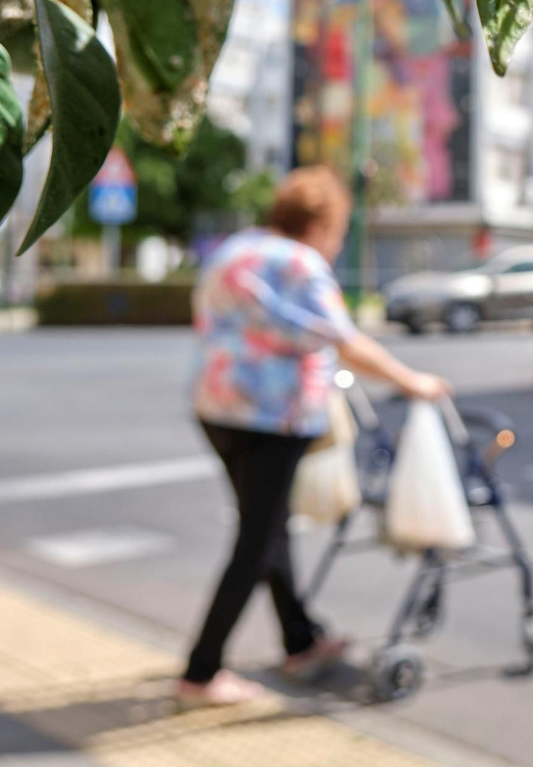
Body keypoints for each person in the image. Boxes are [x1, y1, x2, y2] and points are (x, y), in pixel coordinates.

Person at [178, 166, 452, 707]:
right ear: (322, 223)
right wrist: (411, 381)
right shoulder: (301, 264)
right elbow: (344, 341)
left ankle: (300, 640)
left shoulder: (236, 249)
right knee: (256, 542)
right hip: (270, 420)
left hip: (215, 407)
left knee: (268, 526)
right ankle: (200, 673)